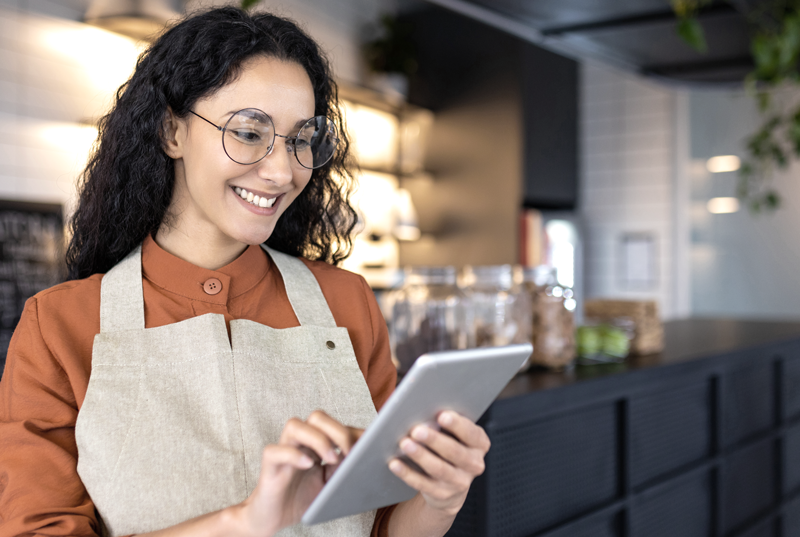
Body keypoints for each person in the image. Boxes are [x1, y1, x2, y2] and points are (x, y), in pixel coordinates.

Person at [0, 6, 490, 537]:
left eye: (301, 138)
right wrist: (242, 523)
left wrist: (439, 500)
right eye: (250, 132)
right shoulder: (59, 325)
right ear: (172, 131)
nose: (282, 171)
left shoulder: (347, 302)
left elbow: (381, 524)